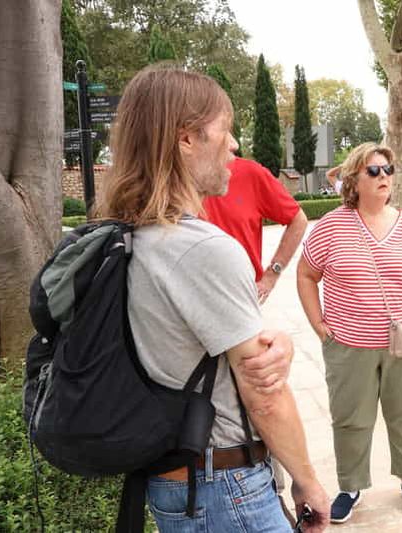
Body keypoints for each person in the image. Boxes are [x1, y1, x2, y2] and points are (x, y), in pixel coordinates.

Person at [99, 64, 329, 532]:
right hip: (223, 487)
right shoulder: (201, 247)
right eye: (225, 131)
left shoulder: (124, 235)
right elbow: (263, 394)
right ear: (186, 138)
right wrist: (307, 482)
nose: (235, 145)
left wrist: (268, 338)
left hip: (172, 482)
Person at [297, 143, 402, 524]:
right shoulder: (330, 225)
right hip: (348, 344)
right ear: (354, 180)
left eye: (389, 170)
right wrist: (318, 323)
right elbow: (307, 274)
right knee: (350, 418)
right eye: (374, 171)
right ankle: (350, 485)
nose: (384, 177)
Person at [202, 157, 308, 520]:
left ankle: (272, 486)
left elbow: (297, 218)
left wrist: (272, 273)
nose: (231, 143)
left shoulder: (247, 173)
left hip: (240, 306)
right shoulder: (165, 182)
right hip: (191, 311)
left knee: (257, 390)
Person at [203, 158, 308, 304]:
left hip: (237, 299)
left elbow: (298, 220)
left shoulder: (250, 173)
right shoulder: (169, 174)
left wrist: (272, 273)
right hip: (181, 301)